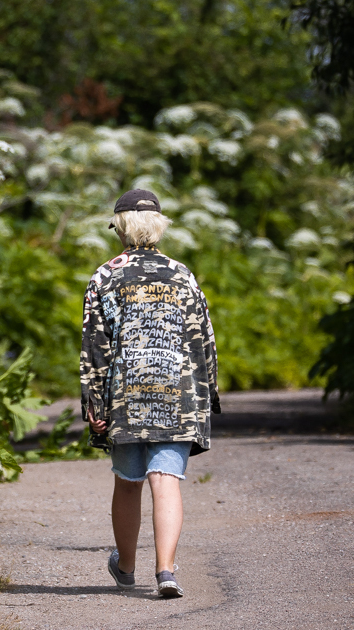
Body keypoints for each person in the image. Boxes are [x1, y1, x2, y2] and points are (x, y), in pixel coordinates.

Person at [80, 189, 221, 598]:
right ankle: (166, 572)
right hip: (178, 393)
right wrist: (207, 392)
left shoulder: (105, 276)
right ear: (159, 227)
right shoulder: (182, 275)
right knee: (166, 479)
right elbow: (203, 339)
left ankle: (125, 568)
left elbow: (96, 345)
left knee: (128, 480)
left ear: (120, 228)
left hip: (126, 395)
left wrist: (94, 404)